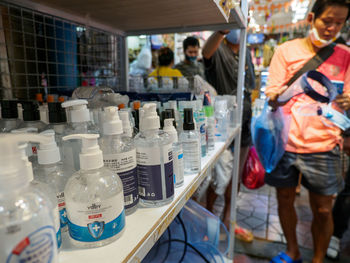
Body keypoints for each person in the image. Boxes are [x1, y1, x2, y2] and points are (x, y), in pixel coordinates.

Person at [265, 0, 350, 262]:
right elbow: (272, 96)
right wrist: (288, 91)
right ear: (312, 17)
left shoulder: (346, 56)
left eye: (339, 23)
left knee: (324, 210)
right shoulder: (285, 51)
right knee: (284, 198)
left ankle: (318, 257)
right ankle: (292, 250)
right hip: (285, 142)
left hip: (324, 146)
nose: (332, 28)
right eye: (328, 21)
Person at [202, 29, 255, 242]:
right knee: (217, 176)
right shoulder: (219, 48)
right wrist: (222, 31)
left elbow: (250, 84)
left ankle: (229, 219)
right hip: (221, 123)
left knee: (235, 175)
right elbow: (206, 53)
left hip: (244, 121)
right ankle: (208, 218)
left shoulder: (246, 52)